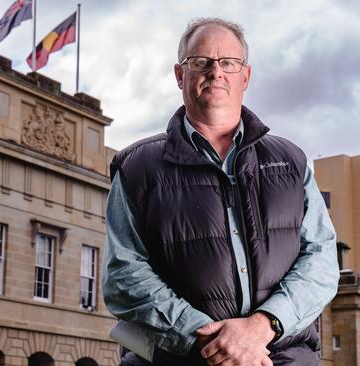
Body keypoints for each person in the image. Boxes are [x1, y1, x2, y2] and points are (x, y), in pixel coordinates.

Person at [103, 17, 339, 366]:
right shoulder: (137, 166)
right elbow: (124, 274)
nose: (216, 72)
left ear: (245, 76)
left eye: (228, 63)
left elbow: (321, 261)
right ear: (180, 76)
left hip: (282, 358)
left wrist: (261, 327)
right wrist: (212, 342)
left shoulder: (291, 160)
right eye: (201, 62)